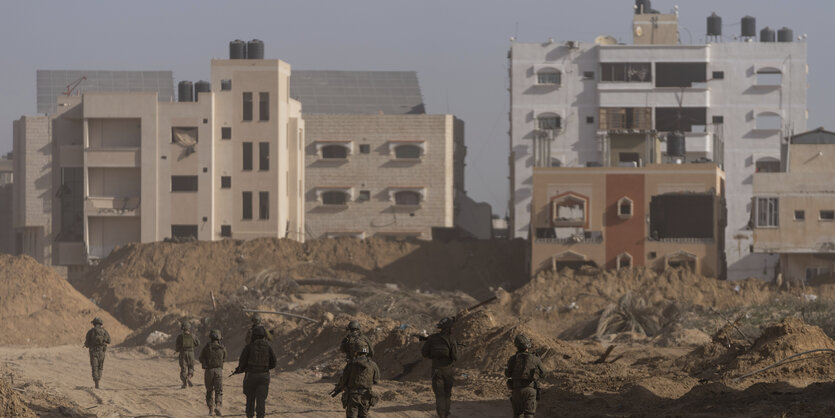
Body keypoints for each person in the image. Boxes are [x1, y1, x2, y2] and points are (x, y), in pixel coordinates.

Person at [234, 325, 276, 418]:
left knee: (250, 398)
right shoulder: (268, 347)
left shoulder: (249, 347)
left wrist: (241, 369)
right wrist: (265, 369)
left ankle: (250, 415)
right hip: (264, 376)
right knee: (261, 400)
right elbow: (273, 363)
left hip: (251, 376)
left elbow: (242, 362)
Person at [421, 317, 458, 418]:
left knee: (439, 394)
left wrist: (433, 357)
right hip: (448, 371)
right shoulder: (451, 339)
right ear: (449, 328)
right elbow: (455, 356)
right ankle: (446, 412)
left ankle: (441, 414)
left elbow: (424, 353)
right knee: (447, 393)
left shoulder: (432, 338)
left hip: (436, 370)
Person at [504, 334, 546, 418]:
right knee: (529, 415)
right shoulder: (535, 358)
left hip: (516, 390)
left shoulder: (513, 358)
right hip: (530, 390)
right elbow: (544, 374)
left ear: (516, 346)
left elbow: (507, 374)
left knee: (517, 415)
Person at [331, 346, 380, 418]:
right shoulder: (373, 365)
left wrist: (341, 387)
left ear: (356, 353)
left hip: (353, 396)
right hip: (366, 396)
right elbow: (376, 380)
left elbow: (344, 380)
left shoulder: (351, 364)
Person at [199, 329, 227, 416]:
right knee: (218, 390)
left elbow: (200, 358)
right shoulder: (222, 348)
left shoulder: (207, 347)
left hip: (209, 371)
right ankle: (218, 406)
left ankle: (211, 410)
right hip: (218, 371)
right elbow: (225, 358)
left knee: (209, 391)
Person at [83, 317, 111, 389]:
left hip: (93, 351)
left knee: (94, 367)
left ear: (94, 323)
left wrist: (87, 345)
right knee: (100, 366)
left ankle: (96, 382)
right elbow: (109, 341)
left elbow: (87, 343)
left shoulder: (90, 331)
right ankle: (99, 378)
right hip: (102, 352)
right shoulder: (104, 331)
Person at [175, 321, 200, 389]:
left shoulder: (180, 337)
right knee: (191, 367)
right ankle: (189, 377)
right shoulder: (193, 336)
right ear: (189, 328)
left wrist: (178, 350)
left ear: (182, 329)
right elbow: (198, 343)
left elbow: (177, 347)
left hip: (183, 353)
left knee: (183, 369)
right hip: (191, 353)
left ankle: (184, 382)